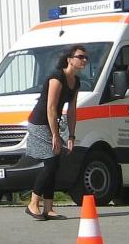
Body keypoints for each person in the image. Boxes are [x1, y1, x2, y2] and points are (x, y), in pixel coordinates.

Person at [24, 45, 84, 221]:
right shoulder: (57, 77)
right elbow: (50, 108)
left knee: (55, 164)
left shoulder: (76, 81)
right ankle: (33, 203)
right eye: (80, 57)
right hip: (40, 123)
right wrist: (56, 136)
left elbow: (71, 110)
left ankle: (48, 208)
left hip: (53, 123)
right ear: (69, 59)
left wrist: (71, 136)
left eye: (85, 58)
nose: (84, 60)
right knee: (50, 163)